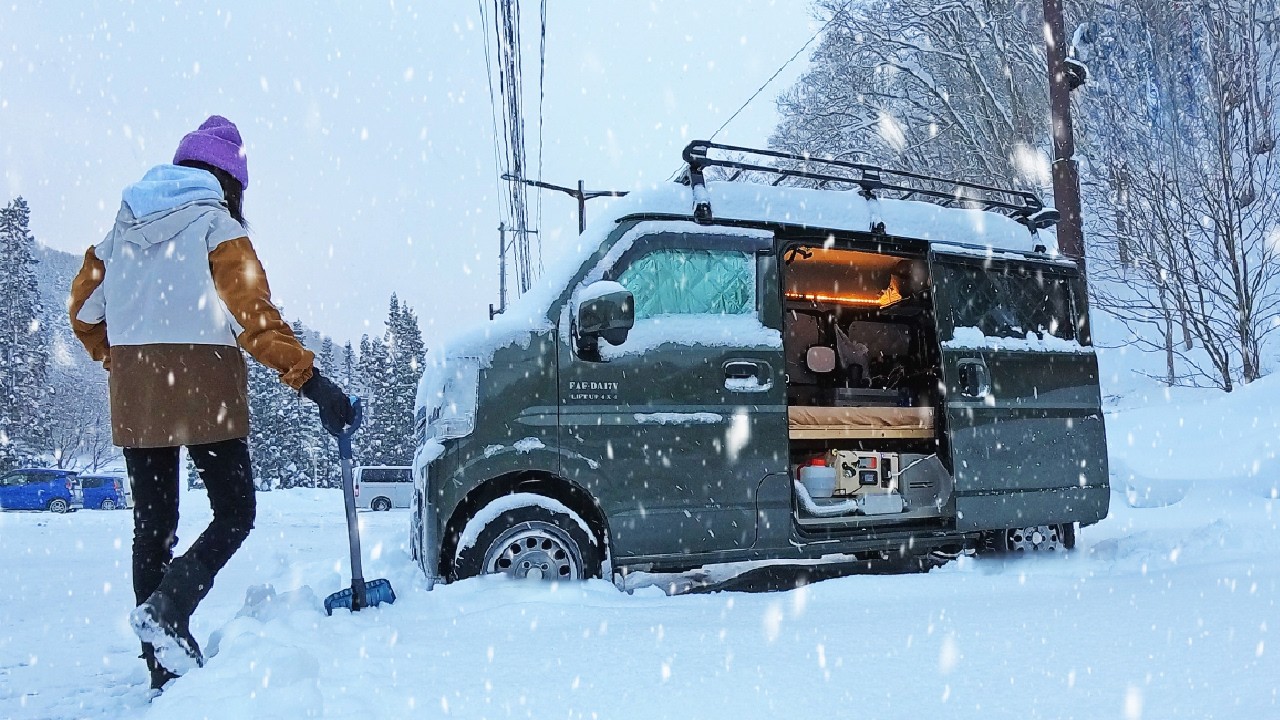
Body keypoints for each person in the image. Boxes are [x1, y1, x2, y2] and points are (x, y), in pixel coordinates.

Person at [68, 115, 354, 691]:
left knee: (153, 528)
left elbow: (83, 312)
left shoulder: (119, 230)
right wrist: (313, 382)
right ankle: (171, 607)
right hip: (206, 387)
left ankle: (160, 667)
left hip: (138, 392)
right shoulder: (217, 226)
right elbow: (254, 317)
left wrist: (121, 360)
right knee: (236, 510)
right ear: (230, 180)